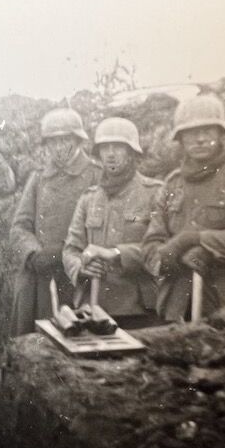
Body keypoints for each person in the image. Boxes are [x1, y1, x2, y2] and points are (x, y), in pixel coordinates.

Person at [142, 94, 225, 320]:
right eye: (191, 132)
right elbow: (150, 247)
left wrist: (194, 240)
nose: (200, 139)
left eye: (208, 130)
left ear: (221, 133)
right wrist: (169, 257)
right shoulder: (172, 183)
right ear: (181, 138)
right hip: (175, 308)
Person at [63, 118, 162, 329]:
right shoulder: (89, 199)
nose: (110, 153)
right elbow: (71, 249)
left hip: (139, 309)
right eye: (104, 148)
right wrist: (81, 268)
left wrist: (117, 254)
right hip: (94, 307)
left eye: (118, 147)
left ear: (132, 152)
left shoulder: (154, 194)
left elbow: (162, 250)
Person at [9, 108, 101, 335]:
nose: (59, 147)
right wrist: (33, 254)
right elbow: (20, 225)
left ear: (78, 140)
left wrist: (64, 253)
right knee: (35, 342)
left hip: (78, 276)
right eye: (53, 142)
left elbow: (104, 227)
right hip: (39, 277)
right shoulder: (38, 178)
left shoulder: (95, 175)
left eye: (66, 140)